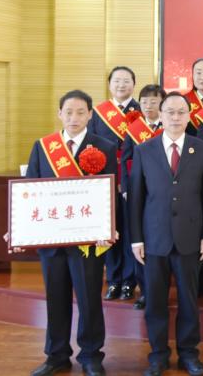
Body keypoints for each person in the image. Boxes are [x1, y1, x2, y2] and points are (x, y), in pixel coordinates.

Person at [17, 89, 118, 376]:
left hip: (89, 240)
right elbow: (29, 190)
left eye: (81, 112)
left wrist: (109, 227)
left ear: (90, 115)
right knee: (56, 297)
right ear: (59, 113)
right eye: (69, 112)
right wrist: (19, 228)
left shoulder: (105, 146)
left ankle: (91, 355)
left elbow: (110, 192)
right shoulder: (43, 147)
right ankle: (56, 354)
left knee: (89, 298)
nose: (74, 118)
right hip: (52, 240)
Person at [129, 92, 203, 376]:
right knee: (155, 301)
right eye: (170, 112)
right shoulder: (144, 150)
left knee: (189, 301)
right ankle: (158, 355)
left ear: (189, 116)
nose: (176, 117)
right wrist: (136, 238)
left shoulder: (201, 149)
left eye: (181, 112)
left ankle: (189, 354)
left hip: (190, 237)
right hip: (154, 239)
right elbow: (136, 199)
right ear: (161, 115)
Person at [87, 66, 140, 301]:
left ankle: (129, 281)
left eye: (126, 81)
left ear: (134, 84)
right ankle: (114, 279)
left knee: (130, 230)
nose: (121, 85)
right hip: (106, 180)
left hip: (132, 179)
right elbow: (90, 145)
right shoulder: (98, 113)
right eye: (117, 81)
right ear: (109, 84)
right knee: (109, 230)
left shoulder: (142, 110)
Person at [119, 83, 167, 310]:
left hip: (164, 195)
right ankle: (145, 291)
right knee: (140, 241)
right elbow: (124, 161)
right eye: (144, 102)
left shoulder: (173, 125)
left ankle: (164, 290)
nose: (148, 106)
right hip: (139, 194)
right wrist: (126, 189)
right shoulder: (134, 130)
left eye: (154, 102)